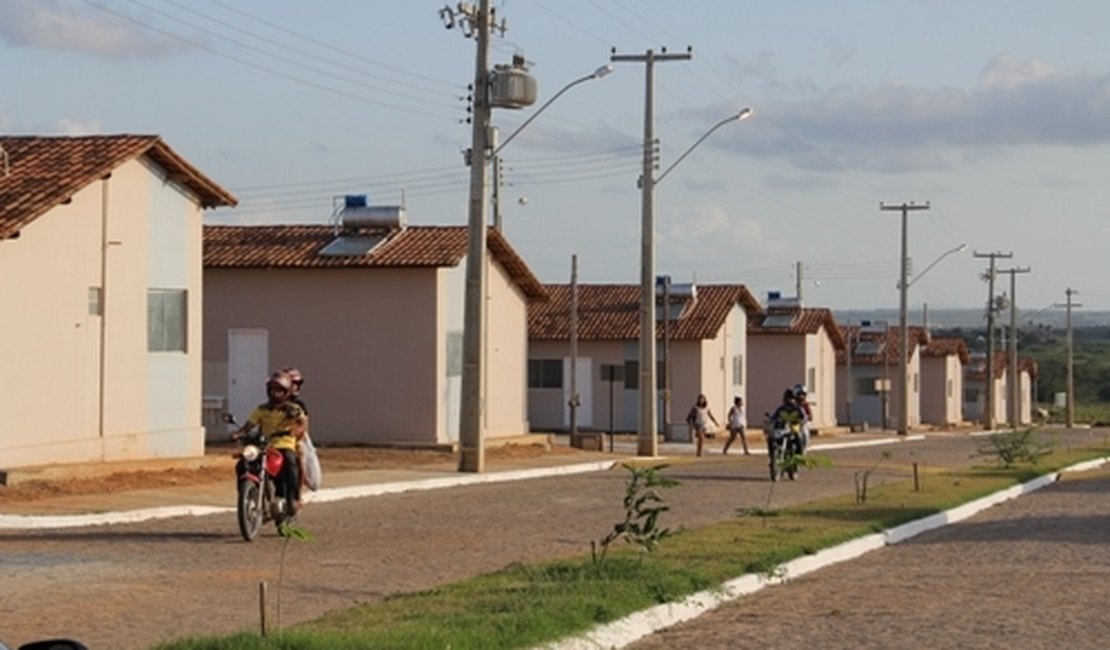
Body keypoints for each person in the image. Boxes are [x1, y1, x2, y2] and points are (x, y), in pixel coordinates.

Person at [231, 371, 307, 514]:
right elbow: (249, 425)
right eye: (272, 390)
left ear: (286, 392)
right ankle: (246, 496)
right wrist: (238, 433)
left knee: (290, 462)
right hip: (265, 445)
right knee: (242, 464)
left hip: (284, 445)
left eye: (279, 390)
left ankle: (293, 498)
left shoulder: (293, 409)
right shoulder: (261, 409)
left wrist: (295, 431)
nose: (275, 393)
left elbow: (302, 423)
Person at [769, 388, 806, 456]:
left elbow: (804, 417)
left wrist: (801, 421)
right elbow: (774, 416)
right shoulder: (780, 408)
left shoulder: (798, 408)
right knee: (771, 437)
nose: (789, 400)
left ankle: (800, 453)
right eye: (788, 398)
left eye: (791, 398)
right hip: (782, 427)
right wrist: (771, 419)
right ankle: (772, 455)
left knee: (798, 435)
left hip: (794, 425)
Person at [685, 393, 719, 457]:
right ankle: (699, 453)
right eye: (699, 399)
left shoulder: (707, 408)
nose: (701, 401)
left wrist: (715, 422)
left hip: (704, 425)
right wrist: (690, 423)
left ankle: (699, 452)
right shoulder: (695, 408)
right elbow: (690, 416)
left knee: (701, 440)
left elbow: (710, 415)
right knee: (701, 439)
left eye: (702, 399)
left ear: (704, 400)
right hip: (697, 424)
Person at [793, 383, 813, 452]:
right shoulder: (792, 405)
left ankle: (803, 451)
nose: (801, 396)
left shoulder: (805, 405)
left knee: (804, 434)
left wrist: (806, 418)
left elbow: (811, 416)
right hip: (793, 424)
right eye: (799, 394)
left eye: (803, 394)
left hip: (802, 425)